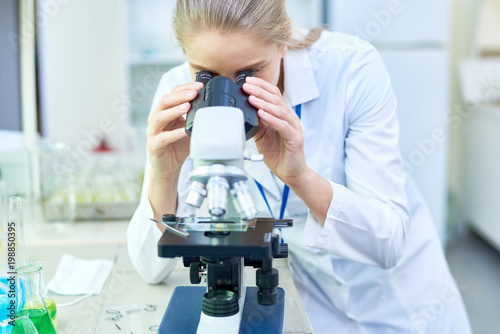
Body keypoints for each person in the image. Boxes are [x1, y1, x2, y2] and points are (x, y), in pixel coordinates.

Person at [127, 0, 472, 333]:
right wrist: (164, 173)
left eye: (248, 72)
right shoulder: (177, 92)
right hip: (314, 302)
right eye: (206, 74)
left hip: (404, 303)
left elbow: (388, 241)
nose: (228, 93)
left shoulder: (351, 69)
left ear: (284, 40)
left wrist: (300, 177)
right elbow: (151, 267)